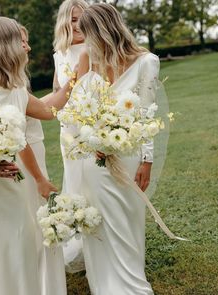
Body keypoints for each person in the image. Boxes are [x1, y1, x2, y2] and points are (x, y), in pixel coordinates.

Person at [73, 3, 160, 294]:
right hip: (94, 160)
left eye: (88, 35)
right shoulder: (93, 62)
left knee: (128, 219)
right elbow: (80, 112)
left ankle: (131, 281)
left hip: (129, 154)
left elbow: (147, 115)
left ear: (102, 30)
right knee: (102, 222)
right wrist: (91, 140)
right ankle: (105, 283)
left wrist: (147, 160)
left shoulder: (146, 62)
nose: (86, 42)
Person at [0, 16, 75, 295]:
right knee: (7, 244)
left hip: (14, 181)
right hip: (1, 185)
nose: (27, 48)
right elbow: (23, 138)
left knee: (20, 242)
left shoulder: (16, 90)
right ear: (6, 46)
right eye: (22, 42)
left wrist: (75, 76)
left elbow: (45, 113)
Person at [19, 26, 67, 295]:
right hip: (26, 163)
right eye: (22, 42)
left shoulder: (12, 82)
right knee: (35, 222)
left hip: (24, 158)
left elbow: (37, 106)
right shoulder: (9, 85)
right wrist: (75, 78)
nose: (28, 47)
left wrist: (63, 86)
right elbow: (47, 111)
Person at [53, 0, 88, 272]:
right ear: (65, 21)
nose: (77, 24)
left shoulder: (95, 48)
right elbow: (57, 91)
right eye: (73, 19)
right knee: (74, 183)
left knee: (96, 182)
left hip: (93, 126)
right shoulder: (59, 54)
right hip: (68, 131)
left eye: (82, 18)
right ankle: (81, 242)